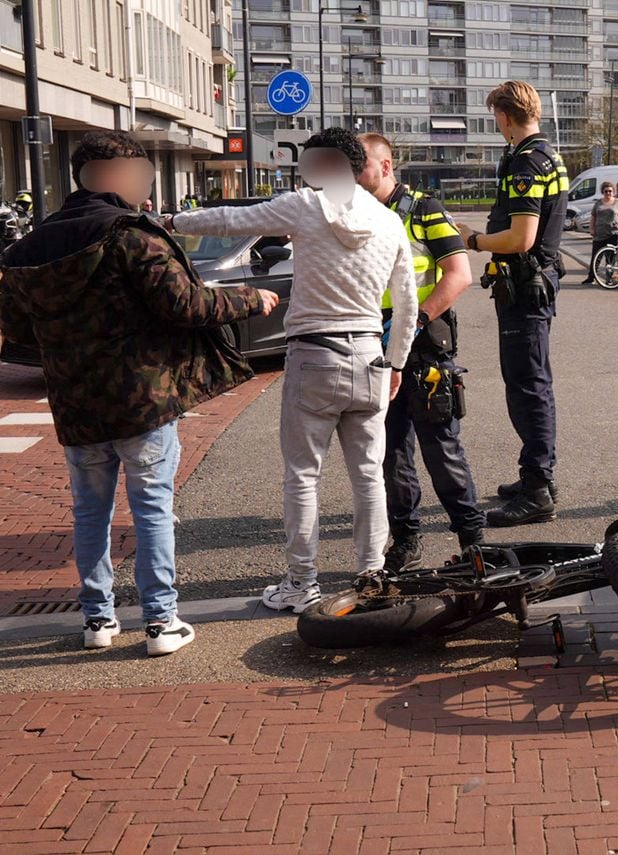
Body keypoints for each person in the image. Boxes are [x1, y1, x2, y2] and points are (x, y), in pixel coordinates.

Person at [0, 130, 277, 655]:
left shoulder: (29, 247)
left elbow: (15, 326)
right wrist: (248, 297)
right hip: (141, 397)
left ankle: (97, 621)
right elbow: (187, 306)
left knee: (89, 512)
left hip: (76, 401)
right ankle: (159, 622)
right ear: (114, 177)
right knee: (150, 507)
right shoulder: (131, 235)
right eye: (140, 177)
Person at [167, 127, 418, 611]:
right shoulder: (389, 224)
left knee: (303, 476)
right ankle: (372, 574)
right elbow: (406, 304)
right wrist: (398, 363)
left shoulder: (306, 205)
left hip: (313, 355)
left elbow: (236, 220)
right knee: (368, 475)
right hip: (370, 355)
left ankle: (302, 584)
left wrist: (175, 219)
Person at [356, 132, 485, 570]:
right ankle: (406, 541)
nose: (353, 175)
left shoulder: (424, 209)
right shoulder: (353, 215)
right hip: (374, 350)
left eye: (361, 165)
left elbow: (458, 274)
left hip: (424, 350)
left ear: (386, 166)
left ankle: (473, 543)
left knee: (441, 448)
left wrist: (414, 321)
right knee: (390, 452)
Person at [456, 81, 569, 528]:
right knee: (532, 382)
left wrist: (474, 240)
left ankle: (538, 489)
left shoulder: (526, 161)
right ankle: (537, 478)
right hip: (533, 282)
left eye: (495, 118)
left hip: (524, 284)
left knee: (527, 386)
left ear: (504, 116)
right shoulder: (548, 155)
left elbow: (521, 237)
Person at [585, 182, 618, 284]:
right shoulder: (598, 203)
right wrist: (591, 228)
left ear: (613, 191)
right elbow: (593, 216)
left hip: (612, 233)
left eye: (610, 191)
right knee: (596, 256)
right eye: (606, 191)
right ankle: (591, 277)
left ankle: (609, 278)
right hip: (599, 233)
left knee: (610, 258)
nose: (608, 193)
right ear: (603, 192)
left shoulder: (617, 203)